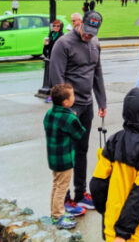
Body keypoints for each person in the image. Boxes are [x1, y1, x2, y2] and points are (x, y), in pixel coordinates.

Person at [49, 10, 107, 214]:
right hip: (69, 107)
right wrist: (64, 108)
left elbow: (97, 72)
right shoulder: (63, 44)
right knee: (66, 153)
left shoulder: (95, 43)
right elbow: (57, 78)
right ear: (80, 24)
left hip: (87, 105)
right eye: (85, 31)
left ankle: (80, 194)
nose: (87, 35)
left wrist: (102, 100)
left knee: (82, 150)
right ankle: (64, 199)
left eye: (92, 32)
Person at [90, 88, 139, 242]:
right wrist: (122, 234)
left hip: (112, 226)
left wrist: (107, 210)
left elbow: (97, 184)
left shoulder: (113, 142)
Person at [44, 83, 87, 229]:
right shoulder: (69, 118)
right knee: (62, 187)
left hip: (53, 158)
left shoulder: (49, 114)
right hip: (65, 158)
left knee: (56, 185)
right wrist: (74, 116)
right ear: (66, 102)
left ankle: (57, 211)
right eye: (72, 95)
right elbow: (80, 133)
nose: (74, 97)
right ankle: (57, 216)